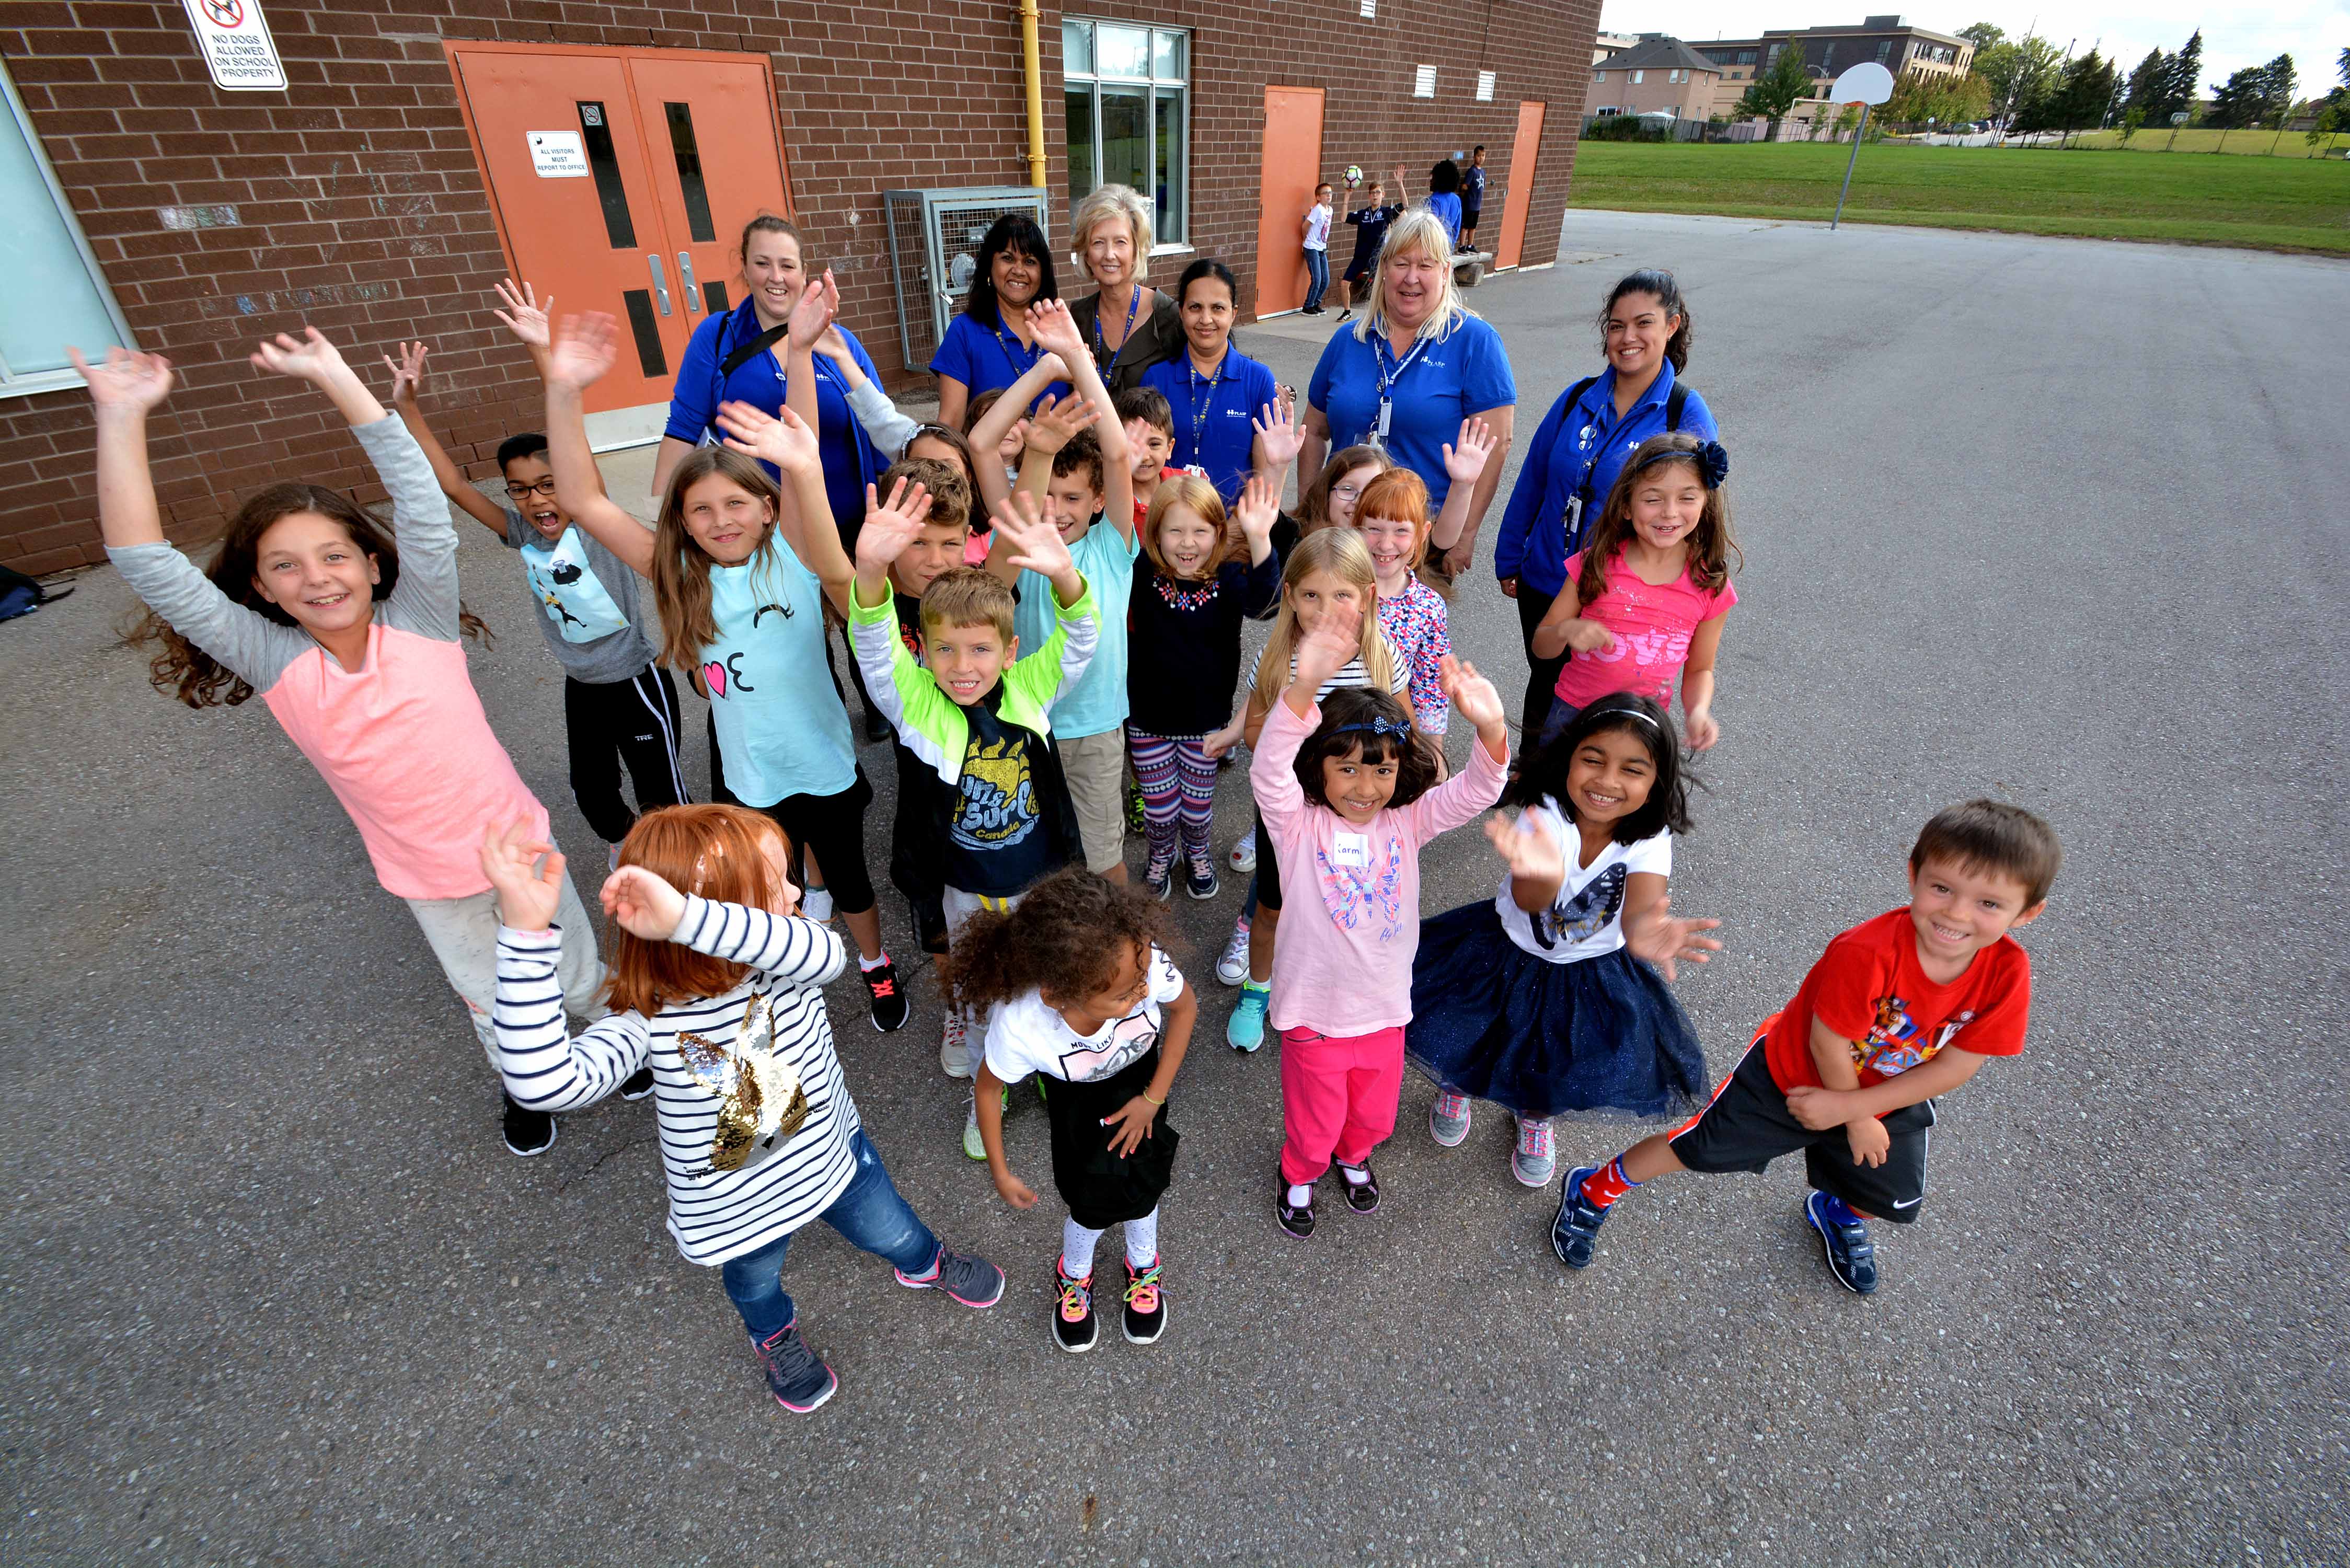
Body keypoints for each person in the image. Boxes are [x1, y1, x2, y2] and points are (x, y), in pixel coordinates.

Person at [76, 330, 605, 1159]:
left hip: (518, 843)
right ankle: (524, 1081)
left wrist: (335, 377)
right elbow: (148, 565)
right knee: (490, 994)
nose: (316, 578)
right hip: (430, 879)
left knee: (575, 971)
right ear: (258, 589)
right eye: (285, 567)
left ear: (369, 561)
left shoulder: (423, 620)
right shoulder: (273, 660)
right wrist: (118, 417)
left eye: (333, 555)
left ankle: (615, 1049)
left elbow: (423, 504)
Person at [479, 806, 1004, 1415]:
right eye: (775, 884)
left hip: (833, 1161)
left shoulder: (782, 965)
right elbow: (542, 1082)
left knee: (895, 1230)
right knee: (755, 1285)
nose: (797, 893)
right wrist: (524, 936)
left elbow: (827, 956)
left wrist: (686, 917)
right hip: (735, 1211)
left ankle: (925, 1264)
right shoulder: (644, 1020)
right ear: (708, 906)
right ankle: (774, 1337)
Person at [544, 311, 911, 1034]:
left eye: (737, 503)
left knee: (852, 881)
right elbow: (584, 499)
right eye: (701, 509)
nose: (721, 519)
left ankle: (874, 966)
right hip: (750, 776)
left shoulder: (799, 554)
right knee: (765, 890)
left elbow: (800, 449)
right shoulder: (678, 572)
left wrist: (800, 352)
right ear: (682, 521)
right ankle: (785, 966)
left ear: (769, 509)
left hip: (824, 761)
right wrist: (562, 389)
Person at [1552, 800, 2060, 1297]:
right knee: (1695, 1148)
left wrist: (1855, 1111)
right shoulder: (1867, 952)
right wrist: (1852, 1112)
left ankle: (1834, 1212)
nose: (1955, 913)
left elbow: (1957, 1064)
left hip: (1883, 1095)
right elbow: (1827, 1041)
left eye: (1987, 903)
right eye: (1941, 888)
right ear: (1913, 875)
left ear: (2027, 913)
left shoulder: (2007, 974)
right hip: (1789, 1077)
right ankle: (1593, 1188)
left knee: (1882, 1187)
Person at [384, 299, 685, 873]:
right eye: (520, 489)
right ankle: (631, 858)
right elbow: (451, 483)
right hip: (583, 688)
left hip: (634, 682)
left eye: (549, 483)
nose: (538, 499)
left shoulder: (592, 518)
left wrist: (542, 351)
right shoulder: (518, 531)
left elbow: (569, 436)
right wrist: (408, 408)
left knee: (663, 802)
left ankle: (683, 879)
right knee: (594, 795)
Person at [847, 489, 1095, 1158]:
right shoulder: (914, 707)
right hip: (963, 889)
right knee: (982, 986)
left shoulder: (1030, 687)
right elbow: (872, 649)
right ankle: (991, 1084)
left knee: (1047, 978)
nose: (963, 668)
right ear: (922, 651)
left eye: (981, 650)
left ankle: (1042, 1064)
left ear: (1010, 651)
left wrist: (1066, 577)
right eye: (946, 651)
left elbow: (1081, 640)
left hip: (1040, 884)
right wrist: (870, 573)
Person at [1255, 612, 1510, 1238]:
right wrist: (1301, 686)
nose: (1365, 786)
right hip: (1313, 1012)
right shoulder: (1297, 825)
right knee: (1314, 1117)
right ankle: (1301, 1170)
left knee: (1372, 1113)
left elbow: (1478, 790)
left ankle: (1354, 1156)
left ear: (1400, 772)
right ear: (1317, 767)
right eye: (1346, 768)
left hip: (1386, 1009)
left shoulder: (1406, 823)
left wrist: (1492, 727)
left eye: (1382, 769)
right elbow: (1266, 769)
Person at [1407, 695, 1723, 1187]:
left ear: (1656, 780)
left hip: (1589, 973)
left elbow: (1641, 913)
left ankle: (1535, 1116)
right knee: (1469, 1028)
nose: (1607, 780)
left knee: (1553, 1055)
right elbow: (1532, 898)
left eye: (1632, 769)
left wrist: (1647, 937)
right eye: (1593, 760)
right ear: (1570, 758)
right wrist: (1542, 872)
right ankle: (1458, 1081)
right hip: (1504, 953)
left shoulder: (1650, 836)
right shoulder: (1547, 812)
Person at [952, 869, 1198, 1352]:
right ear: (1059, 995)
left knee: (1145, 1186)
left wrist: (1153, 1099)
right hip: (1078, 1114)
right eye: (1124, 995)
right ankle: (1074, 1271)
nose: (1143, 992)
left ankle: (1142, 1261)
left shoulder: (1138, 959)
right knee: (1087, 1204)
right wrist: (1001, 1173)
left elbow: (1185, 1008)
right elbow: (987, 1090)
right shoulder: (1024, 1023)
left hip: (1141, 1095)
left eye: (1144, 978)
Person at [1211, 529, 1413, 1051]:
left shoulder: (1381, 656)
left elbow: (1402, 730)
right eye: (1310, 596)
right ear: (1290, 594)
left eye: (1341, 595)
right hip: (1292, 812)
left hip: (1359, 814)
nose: (1325, 610)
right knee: (1274, 907)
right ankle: (1259, 987)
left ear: (1367, 595)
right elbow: (1254, 732)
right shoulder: (1278, 659)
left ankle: (1340, 987)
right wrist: (1302, 739)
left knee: (1347, 906)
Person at [1494, 268, 1718, 735]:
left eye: (1644, 323)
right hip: (1548, 577)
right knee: (1548, 679)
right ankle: (1534, 771)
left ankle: (1586, 787)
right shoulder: (1578, 397)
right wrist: (1510, 555)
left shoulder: (1684, 413)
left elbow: (1694, 512)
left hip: (1621, 589)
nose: (1627, 337)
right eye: (1616, 326)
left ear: (1672, 326)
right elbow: (1534, 478)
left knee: (1600, 699)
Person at [971, 303, 1139, 887]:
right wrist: (1045, 370)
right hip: (1024, 725)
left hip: (1092, 730)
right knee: (1039, 861)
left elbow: (1116, 452)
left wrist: (1076, 357)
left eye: (1074, 498)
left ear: (1097, 502)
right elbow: (982, 442)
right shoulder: (1017, 534)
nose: (1057, 510)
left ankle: (1129, 950)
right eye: (1050, 495)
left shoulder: (1110, 549)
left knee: (1102, 858)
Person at [652, 219, 889, 559]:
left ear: (804, 273)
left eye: (787, 266)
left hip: (847, 534)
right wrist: (665, 531)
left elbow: (879, 435)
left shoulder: (841, 344)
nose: (776, 277)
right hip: (755, 545)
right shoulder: (718, 337)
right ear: (745, 270)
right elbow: (682, 431)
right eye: (762, 264)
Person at [1303, 209, 1517, 582]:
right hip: (1345, 538)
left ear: (1446, 272)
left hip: (1419, 542)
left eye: (1426, 265)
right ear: (1384, 268)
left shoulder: (1475, 342)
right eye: (1401, 263)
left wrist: (1465, 534)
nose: (1412, 278)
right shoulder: (1348, 340)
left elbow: (1495, 447)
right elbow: (1314, 431)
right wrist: (1313, 515)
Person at [1126, 472, 1282, 897]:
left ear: (1218, 533)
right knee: (1159, 810)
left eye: (1200, 531)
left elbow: (1266, 604)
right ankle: (1161, 855)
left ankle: (1197, 853)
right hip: (1148, 719)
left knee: (1196, 810)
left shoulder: (1229, 578)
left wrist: (1260, 539)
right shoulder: (1142, 574)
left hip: (1208, 724)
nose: (1187, 543)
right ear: (1155, 533)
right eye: (1174, 531)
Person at [1531, 433, 1740, 750]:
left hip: (1644, 728)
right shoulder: (1594, 565)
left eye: (1687, 498)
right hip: (1574, 717)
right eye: (1653, 499)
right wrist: (1565, 630)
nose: (1669, 512)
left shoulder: (1710, 585)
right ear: (1626, 506)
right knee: (1553, 799)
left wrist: (1698, 711)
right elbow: (1542, 647)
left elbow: (1700, 668)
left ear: (1705, 503)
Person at [860, 456, 978, 956]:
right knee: (938, 926)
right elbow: (827, 560)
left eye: (950, 543)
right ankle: (954, 1000)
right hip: (921, 796)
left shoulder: (976, 598)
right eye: (918, 542)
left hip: (989, 787)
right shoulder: (875, 601)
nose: (935, 560)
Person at [1343, 431, 1495, 735]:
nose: (1386, 544)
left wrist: (1432, 754)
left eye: (1401, 531)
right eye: (1374, 528)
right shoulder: (1336, 590)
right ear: (1356, 527)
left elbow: (1429, 685)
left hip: (1394, 738)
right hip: (1330, 733)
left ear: (1423, 533)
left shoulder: (1428, 606)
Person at [1139, 259, 1287, 505]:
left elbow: (1264, 478)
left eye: (1218, 308)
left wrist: (1233, 534)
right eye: (1195, 307)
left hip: (1240, 533)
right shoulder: (1156, 378)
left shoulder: (1258, 380)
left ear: (1234, 313)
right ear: (1181, 311)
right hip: (1172, 532)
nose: (1206, 319)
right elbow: (1144, 468)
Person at [930, 212, 1067, 430]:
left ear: (1043, 273)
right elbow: (951, 424)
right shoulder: (964, 332)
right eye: (1007, 258)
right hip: (990, 462)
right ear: (989, 266)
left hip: (1060, 461)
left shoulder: (1063, 330)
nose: (1019, 270)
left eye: (1030, 261)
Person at [1064, 184, 1183, 394]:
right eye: (1098, 242)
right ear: (1086, 252)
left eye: (1120, 242)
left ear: (1137, 250)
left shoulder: (1169, 317)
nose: (1110, 254)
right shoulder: (1078, 317)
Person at [1335, 169, 1408, 325]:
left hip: (1378, 256)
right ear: (1369, 196)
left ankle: (1383, 313)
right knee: (1344, 283)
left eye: (1378, 193)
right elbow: (1343, 218)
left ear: (1383, 195)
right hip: (1361, 255)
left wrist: (1400, 184)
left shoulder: (1387, 212)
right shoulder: (1363, 214)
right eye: (1372, 193)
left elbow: (1405, 206)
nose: (1375, 196)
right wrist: (1347, 196)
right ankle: (1347, 312)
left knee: (1380, 286)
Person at [1114, 384, 1178, 527]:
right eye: (1134, 443)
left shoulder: (1185, 488)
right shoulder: (1105, 495)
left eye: (1154, 444)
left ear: (1169, 448)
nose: (1143, 456)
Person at [1301, 181, 1334, 315]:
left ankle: (1316, 303)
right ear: (1318, 197)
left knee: (1326, 279)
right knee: (1317, 278)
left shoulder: (1330, 210)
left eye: (1330, 193)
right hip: (1312, 247)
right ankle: (1308, 306)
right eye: (1325, 193)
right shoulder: (1318, 210)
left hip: (1322, 248)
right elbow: (1305, 226)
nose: (1329, 195)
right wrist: (1305, 240)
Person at [1423, 159, 1464, 247]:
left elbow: (1428, 228)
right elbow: (1456, 228)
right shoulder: (1456, 200)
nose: (1431, 181)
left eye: (1433, 178)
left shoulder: (1434, 202)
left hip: (1434, 247)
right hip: (1448, 246)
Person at [1457, 145, 1489, 251]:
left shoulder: (1483, 172)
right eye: (1479, 156)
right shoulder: (1472, 171)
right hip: (1470, 203)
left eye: (1483, 156)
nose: (1481, 158)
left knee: (1473, 226)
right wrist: (1466, 191)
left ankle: (1470, 245)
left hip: (1477, 205)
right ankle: (1462, 245)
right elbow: (1465, 185)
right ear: (1475, 157)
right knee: (1465, 225)